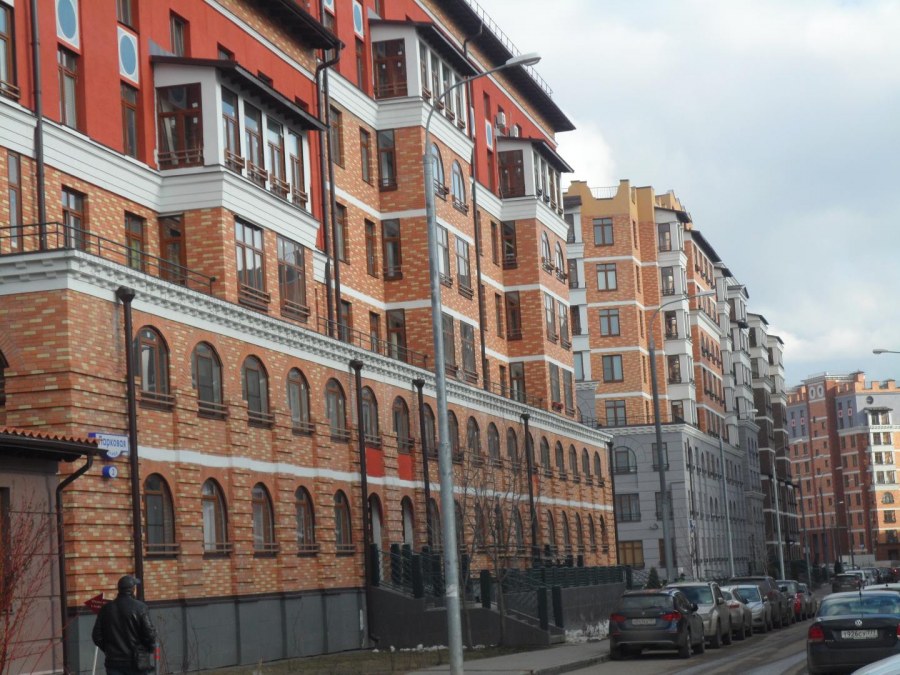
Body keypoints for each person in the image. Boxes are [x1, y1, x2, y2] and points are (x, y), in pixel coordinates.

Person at [92, 575, 158, 675]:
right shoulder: (140, 607)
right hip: (136, 661)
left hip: (113, 662)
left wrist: (108, 649)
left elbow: (96, 636)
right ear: (133, 589)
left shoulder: (106, 609)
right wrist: (148, 648)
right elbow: (149, 634)